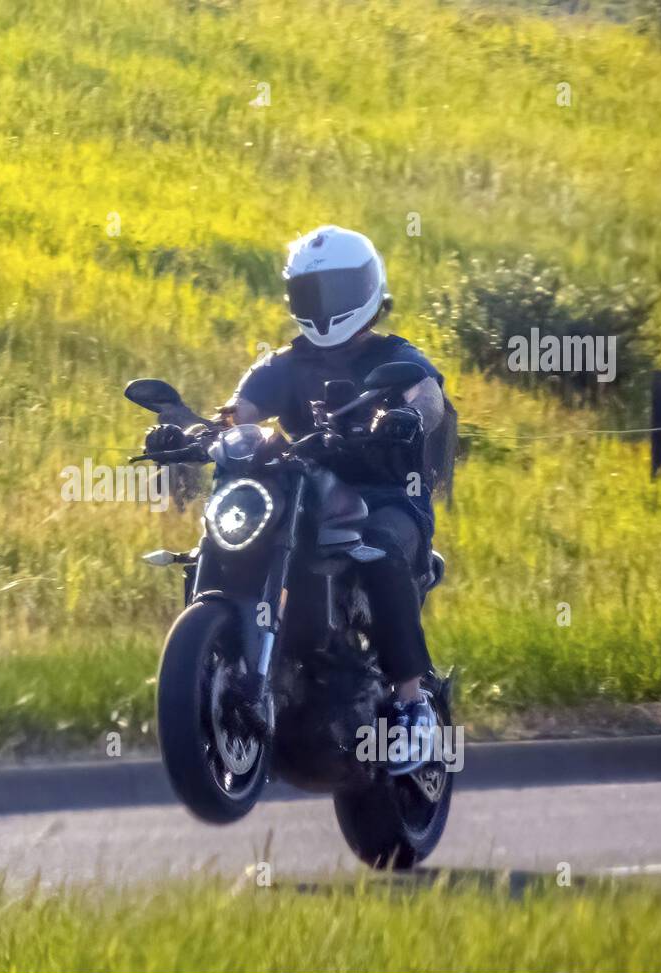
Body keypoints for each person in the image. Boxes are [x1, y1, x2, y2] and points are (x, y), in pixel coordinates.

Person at [145, 225, 454, 774]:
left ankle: (414, 707)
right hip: (303, 491)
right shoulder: (283, 365)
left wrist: (405, 418)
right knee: (216, 540)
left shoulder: (396, 356)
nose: (323, 305)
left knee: (379, 556)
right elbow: (238, 413)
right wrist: (187, 431)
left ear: (365, 290)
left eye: (333, 291)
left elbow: (425, 396)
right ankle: (217, 668)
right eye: (311, 292)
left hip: (385, 498)